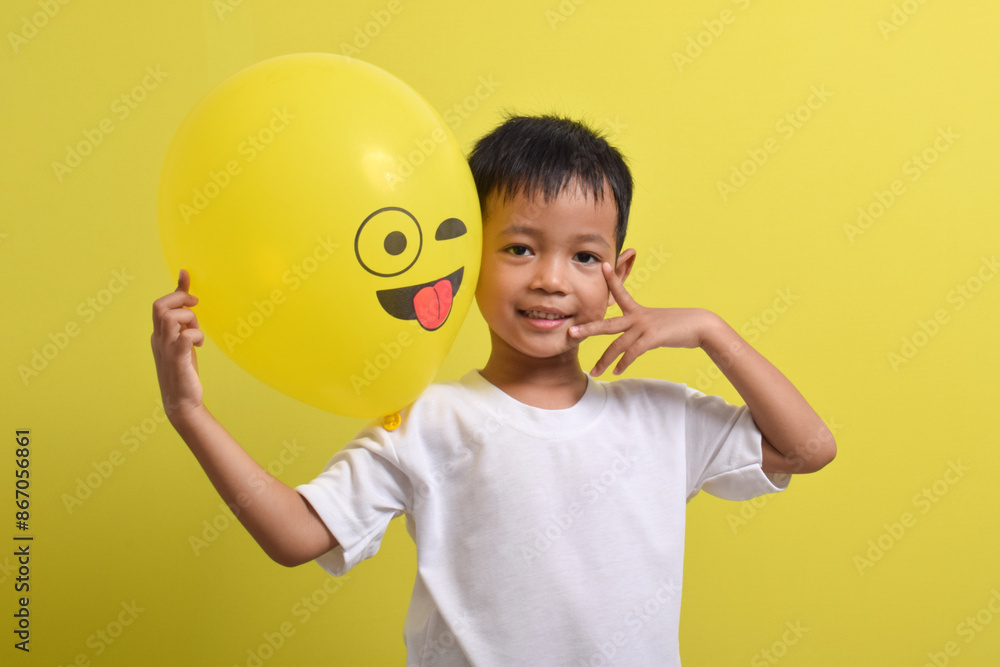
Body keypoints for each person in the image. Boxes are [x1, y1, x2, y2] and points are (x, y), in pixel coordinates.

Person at [151, 114, 835, 665]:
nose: (551, 279)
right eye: (519, 248)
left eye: (585, 256)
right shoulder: (429, 419)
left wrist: (715, 332)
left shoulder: (661, 416)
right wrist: (189, 412)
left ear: (618, 268)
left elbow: (808, 447)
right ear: (469, 255)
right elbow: (296, 533)